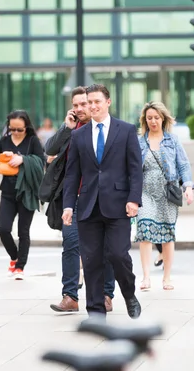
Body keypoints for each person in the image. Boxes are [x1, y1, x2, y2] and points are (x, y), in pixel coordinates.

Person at [62, 84, 142, 319]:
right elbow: (72, 173)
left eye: (97, 101)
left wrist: (134, 199)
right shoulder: (78, 135)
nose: (92, 106)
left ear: (108, 102)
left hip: (118, 206)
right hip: (87, 206)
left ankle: (129, 293)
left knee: (118, 255)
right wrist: (68, 205)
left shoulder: (126, 130)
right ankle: (96, 313)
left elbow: (135, 169)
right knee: (91, 260)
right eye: (89, 102)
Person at [44, 86, 116, 313]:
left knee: (105, 248)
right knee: (71, 244)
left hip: (102, 197)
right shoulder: (71, 129)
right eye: (75, 105)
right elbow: (50, 148)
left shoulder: (106, 128)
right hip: (73, 198)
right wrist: (67, 127)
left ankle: (106, 295)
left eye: (84, 104)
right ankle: (70, 296)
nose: (80, 108)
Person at [134, 101, 194, 291]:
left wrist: (188, 187)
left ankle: (167, 278)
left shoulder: (172, 140)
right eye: (149, 118)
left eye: (156, 118)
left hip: (167, 191)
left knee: (167, 234)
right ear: (145, 120)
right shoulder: (139, 141)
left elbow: (183, 165)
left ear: (163, 119)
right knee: (144, 230)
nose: (153, 121)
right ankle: (146, 277)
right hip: (145, 191)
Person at [0, 110, 45, 280]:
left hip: (27, 191)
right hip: (8, 191)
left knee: (23, 232)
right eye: (13, 129)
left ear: (26, 127)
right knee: (3, 229)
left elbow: (41, 161)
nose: (16, 132)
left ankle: (20, 267)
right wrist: (3, 158)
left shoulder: (33, 141)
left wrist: (22, 159)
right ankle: (14, 257)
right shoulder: (5, 141)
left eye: (20, 129)